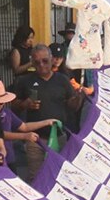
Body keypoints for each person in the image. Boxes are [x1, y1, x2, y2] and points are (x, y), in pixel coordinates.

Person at [12, 44, 80, 182]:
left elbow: (72, 106)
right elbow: (13, 106)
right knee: (36, 177)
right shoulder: (25, 81)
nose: (41, 65)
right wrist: (25, 104)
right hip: (35, 140)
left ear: (51, 59)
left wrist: (79, 97)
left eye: (45, 61)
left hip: (58, 137)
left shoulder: (62, 79)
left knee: (59, 176)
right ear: (32, 62)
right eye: (37, 62)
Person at [0, 80, 59, 179]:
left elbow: (24, 127)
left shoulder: (6, 112)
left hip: (9, 158)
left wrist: (46, 122)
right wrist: (24, 136)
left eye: (0, 103)